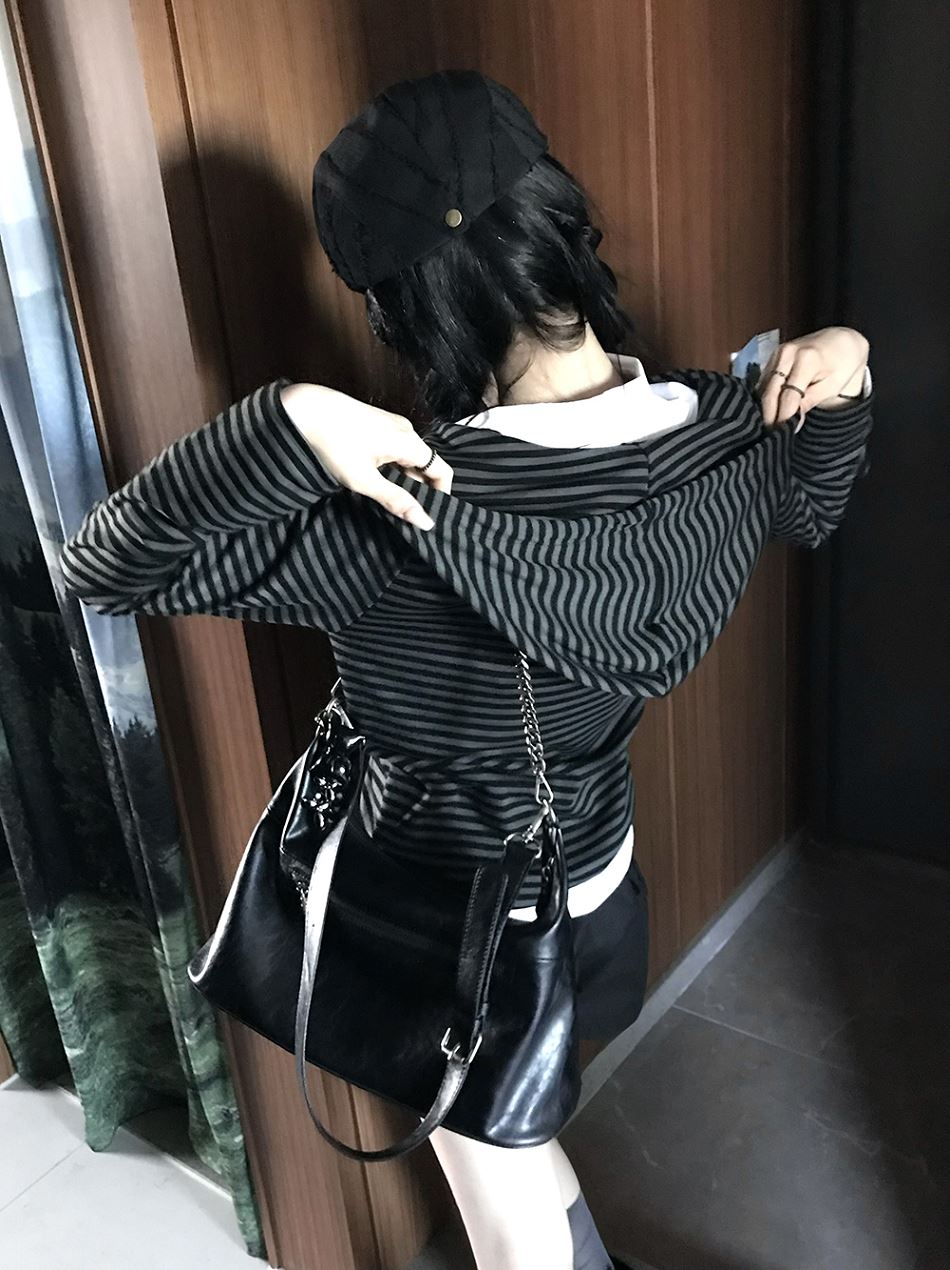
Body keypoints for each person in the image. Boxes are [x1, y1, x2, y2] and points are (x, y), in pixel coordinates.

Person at [60, 70, 873, 1270]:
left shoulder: (389, 519)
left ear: (404, 310)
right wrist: (846, 368)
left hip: (448, 922)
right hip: (590, 881)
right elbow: (812, 500)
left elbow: (103, 565)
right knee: (509, 1127)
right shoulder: (720, 428)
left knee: (497, 1199)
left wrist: (288, 419)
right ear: (561, 218)